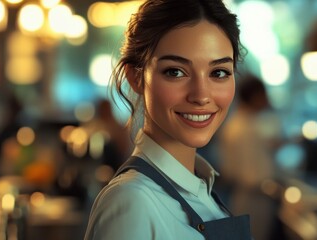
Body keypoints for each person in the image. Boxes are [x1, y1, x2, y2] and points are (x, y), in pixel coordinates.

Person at [83, 0, 251, 239]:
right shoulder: (132, 202)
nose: (201, 96)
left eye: (219, 73)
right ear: (136, 77)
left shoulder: (202, 187)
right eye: (176, 72)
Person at [218, 75, 283, 240]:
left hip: (251, 196)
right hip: (253, 197)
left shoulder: (244, 124)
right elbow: (249, 174)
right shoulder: (242, 128)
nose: (266, 99)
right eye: (263, 95)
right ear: (255, 97)